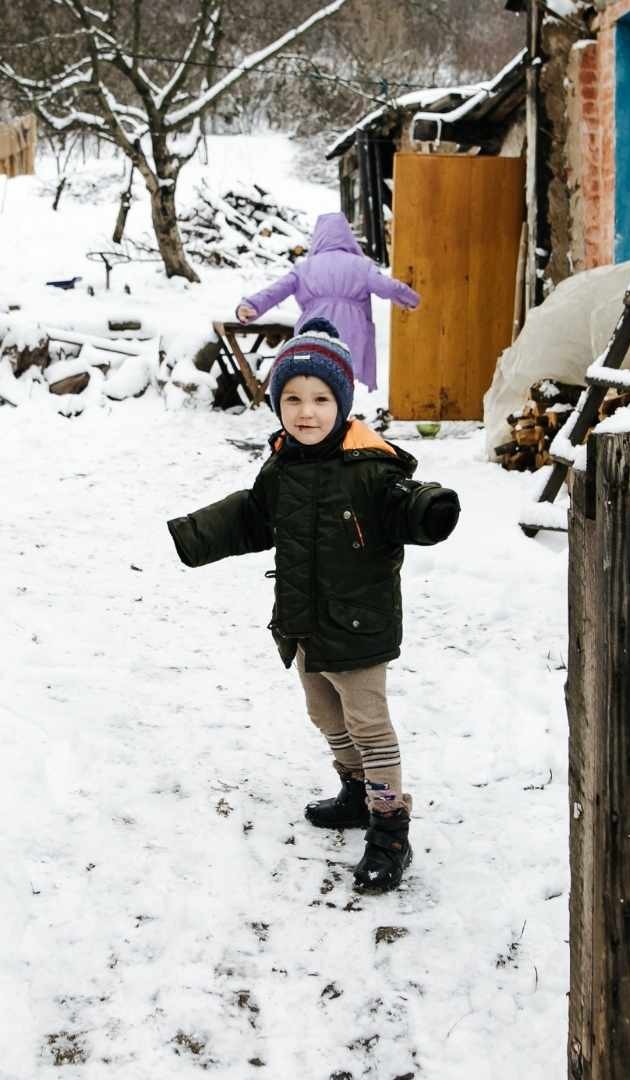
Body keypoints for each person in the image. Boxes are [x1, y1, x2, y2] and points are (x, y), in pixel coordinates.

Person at [167, 318, 460, 894]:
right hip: (304, 624)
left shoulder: (370, 467)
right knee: (325, 716)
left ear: (342, 404)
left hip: (360, 625)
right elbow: (252, 516)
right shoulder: (282, 468)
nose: (306, 412)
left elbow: (403, 504)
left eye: (321, 399)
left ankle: (389, 827)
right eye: (293, 399)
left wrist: (428, 509)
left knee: (369, 725)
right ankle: (354, 790)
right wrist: (195, 535)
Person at [236, 213, 419, 392]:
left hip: (312, 334)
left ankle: (317, 407)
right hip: (351, 336)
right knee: (341, 384)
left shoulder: (304, 268)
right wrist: (412, 299)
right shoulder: (361, 266)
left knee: (312, 377)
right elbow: (388, 287)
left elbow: (275, 291)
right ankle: (337, 409)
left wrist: (251, 306)